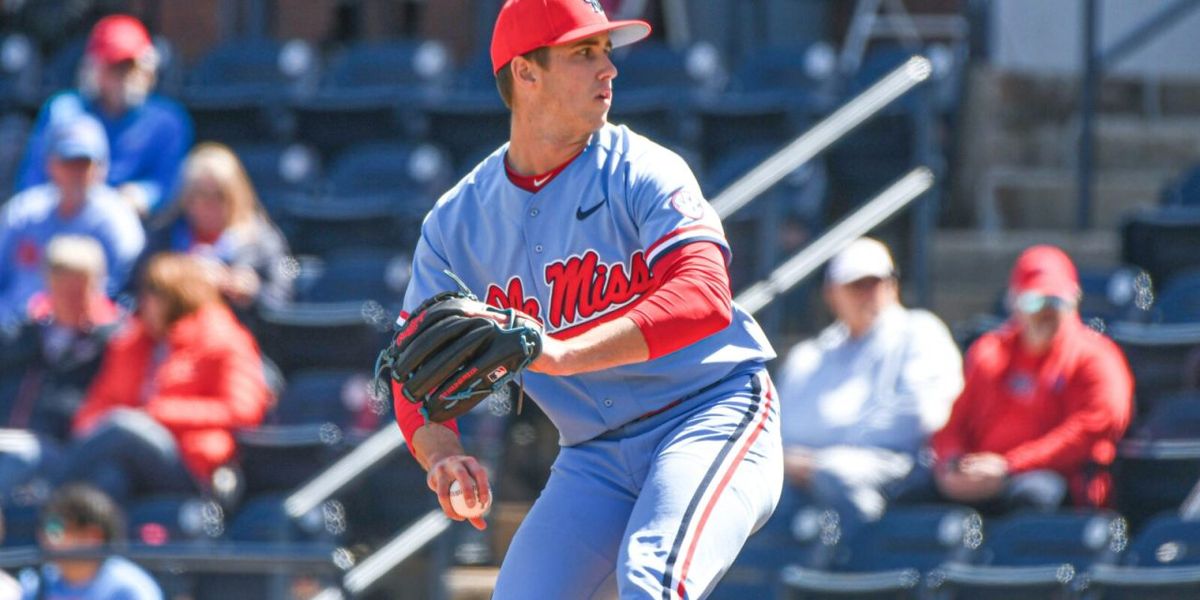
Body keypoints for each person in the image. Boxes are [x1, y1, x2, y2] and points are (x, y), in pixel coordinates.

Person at [392, 1, 782, 598]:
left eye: (605, 51)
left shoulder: (643, 168)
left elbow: (705, 294)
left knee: (653, 578)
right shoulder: (455, 222)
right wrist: (441, 452)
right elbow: (411, 367)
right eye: (583, 53)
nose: (609, 69)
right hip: (595, 456)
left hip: (709, 413)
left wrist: (561, 353)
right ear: (526, 72)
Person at [921, 245, 1134, 513]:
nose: (1045, 312)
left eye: (1056, 301)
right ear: (1014, 302)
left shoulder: (1096, 355)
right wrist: (951, 463)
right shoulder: (990, 351)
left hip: (1055, 478)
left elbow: (1095, 427)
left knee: (1034, 496)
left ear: (1075, 301)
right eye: (1034, 301)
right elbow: (953, 423)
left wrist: (1010, 466)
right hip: (981, 474)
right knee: (914, 495)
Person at [773, 238, 962, 530]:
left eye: (876, 283)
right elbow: (785, 425)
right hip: (807, 468)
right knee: (764, 483)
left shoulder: (920, 332)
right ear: (831, 294)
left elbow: (919, 417)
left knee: (836, 474)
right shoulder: (810, 354)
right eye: (856, 285)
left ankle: (869, 562)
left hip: (903, 465)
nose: (868, 294)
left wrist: (817, 461)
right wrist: (795, 462)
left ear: (893, 286)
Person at [57, 253, 271, 505]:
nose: (144, 302)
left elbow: (242, 411)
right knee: (108, 480)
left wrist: (159, 413)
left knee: (125, 426)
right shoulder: (131, 344)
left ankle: (49, 494)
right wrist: (91, 426)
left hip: (191, 465)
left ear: (178, 295)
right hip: (130, 456)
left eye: (153, 293)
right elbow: (100, 402)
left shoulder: (224, 339)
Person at [17, 14, 193, 220]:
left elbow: (167, 184)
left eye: (133, 66)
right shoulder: (64, 110)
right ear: (94, 69)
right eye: (116, 67)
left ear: (150, 70)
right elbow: (32, 181)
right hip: (62, 220)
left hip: (136, 225)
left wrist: (143, 194)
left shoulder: (168, 121)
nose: (126, 76)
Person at [0, 235, 125, 497]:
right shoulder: (19, 337)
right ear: (48, 284)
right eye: (63, 287)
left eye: (80, 289)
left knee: (17, 453)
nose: (71, 298)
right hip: (12, 442)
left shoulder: (112, 343)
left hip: (67, 453)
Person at [0, 113, 145, 327]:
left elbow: (116, 296)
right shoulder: (24, 211)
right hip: (11, 333)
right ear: (50, 165)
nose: (75, 172)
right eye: (67, 162)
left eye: (83, 164)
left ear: (101, 168)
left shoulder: (117, 221)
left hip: (80, 338)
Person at [141, 142, 293, 314]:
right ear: (185, 197)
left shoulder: (267, 239)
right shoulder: (162, 235)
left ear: (236, 195)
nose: (210, 205)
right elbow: (134, 290)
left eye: (220, 196)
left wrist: (255, 292)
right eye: (200, 195)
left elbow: (289, 281)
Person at [18, 483, 161, 599]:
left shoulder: (129, 589)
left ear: (92, 536)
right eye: (45, 528)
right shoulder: (36, 584)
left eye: (55, 528)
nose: (44, 537)